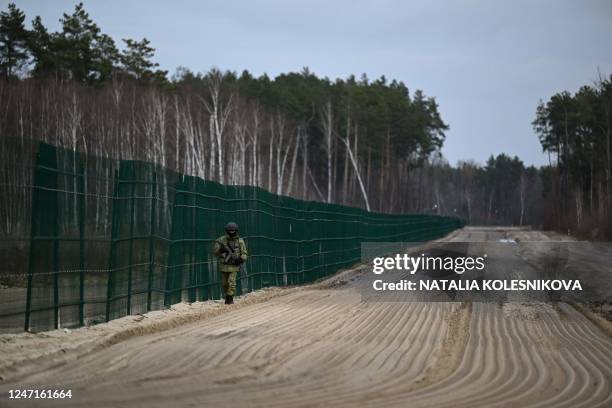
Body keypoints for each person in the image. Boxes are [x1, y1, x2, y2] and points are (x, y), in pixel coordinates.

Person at [213, 222, 248, 304]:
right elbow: (215, 252)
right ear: (227, 231)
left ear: (236, 231)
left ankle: (230, 299)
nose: (231, 232)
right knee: (225, 284)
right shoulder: (220, 240)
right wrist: (221, 250)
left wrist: (241, 259)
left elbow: (244, 253)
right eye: (230, 231)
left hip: (234, 266)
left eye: (233, 231)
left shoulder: (240, 241)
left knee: (231, 282)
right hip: (224, 265)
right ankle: (227, 296)